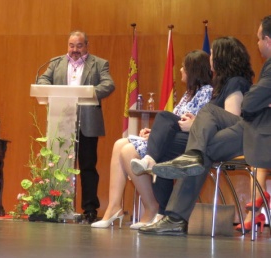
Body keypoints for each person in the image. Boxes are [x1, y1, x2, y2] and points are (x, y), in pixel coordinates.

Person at [139, 17, 271, 236]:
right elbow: (255, 101)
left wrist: (258, 100)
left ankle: (174, 217)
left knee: (203, 137)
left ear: (267, 40)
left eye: (258, 39)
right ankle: (176, 211)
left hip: (258, 130)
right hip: (249, 127)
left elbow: (248, 103)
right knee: (203, 147)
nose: (257, 44)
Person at [131, 36, 254, 221]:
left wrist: (195, 124)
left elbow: (232, 123)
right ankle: (163, 212)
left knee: (164, 143)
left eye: (212, 54)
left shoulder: (236, 83)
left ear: (222, 57)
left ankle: (165, 210)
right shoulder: (221, 86)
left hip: (218, 144)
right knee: (164, 129)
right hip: (203, 140)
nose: (210, 58)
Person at [91, 50, 213, 229]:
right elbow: (173, 120)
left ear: (193, 70)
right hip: (173, 138)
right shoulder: (189, 93)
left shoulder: (206, 92)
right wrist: (154, 133)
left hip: (187, 142)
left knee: (127, 151)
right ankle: (114, 207)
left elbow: (187, 123)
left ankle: (152, 207)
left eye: (184, 67)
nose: (180, 70)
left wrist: (160, 133)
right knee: (119, 144)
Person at [37, 30, 115, 223]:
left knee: (87, 166)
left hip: (87, 123)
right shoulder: (56, 63)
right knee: (59, 165)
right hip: (61, 122)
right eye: (71, 45)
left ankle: (89, 209)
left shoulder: (99, 64)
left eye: (79, 46)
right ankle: (56, 206)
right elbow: (42, 80)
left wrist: (86, 92)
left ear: (86, 46)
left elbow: (108, 84)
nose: (75, 50)